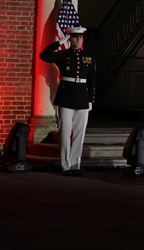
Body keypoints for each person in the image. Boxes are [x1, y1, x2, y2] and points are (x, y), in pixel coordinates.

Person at [39, 26, 96, 176]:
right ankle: (65, 165)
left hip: (83, 98)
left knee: (79, 133)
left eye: (80, 37)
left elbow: (91, 80)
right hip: (66, 97)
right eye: (75, 37)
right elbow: (44, 55)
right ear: (70, 39)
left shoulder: (89, 57)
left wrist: (90, 99)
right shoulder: (63, 55)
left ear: (83, 39)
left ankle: (75, 165)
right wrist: (60, 42)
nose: (78, 40)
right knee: (64, 132)